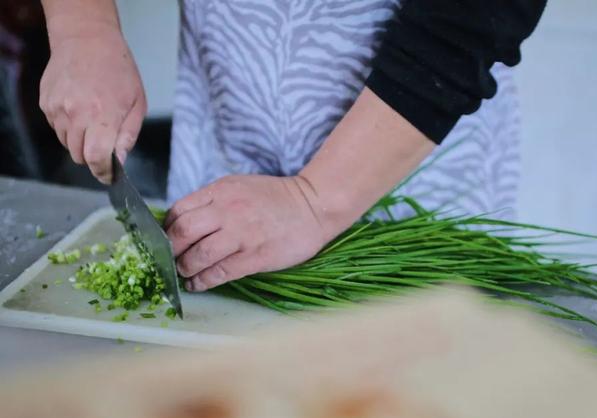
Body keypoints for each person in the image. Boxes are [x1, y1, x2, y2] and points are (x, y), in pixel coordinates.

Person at [39, 0, 546, 292]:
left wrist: (316, 198)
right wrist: (82, 28)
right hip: (226, 138)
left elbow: (477, 11)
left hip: (411, 164)